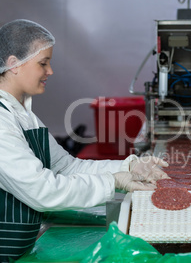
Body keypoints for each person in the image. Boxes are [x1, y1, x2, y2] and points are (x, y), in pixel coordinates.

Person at [0, 19, 169, 261]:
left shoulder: (24, 116)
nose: (50, 71)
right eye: (43, 63)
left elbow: (68, 167)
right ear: (14, 64)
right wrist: (113, 183)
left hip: (20, 248)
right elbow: (42, 190)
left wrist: (128, 166)